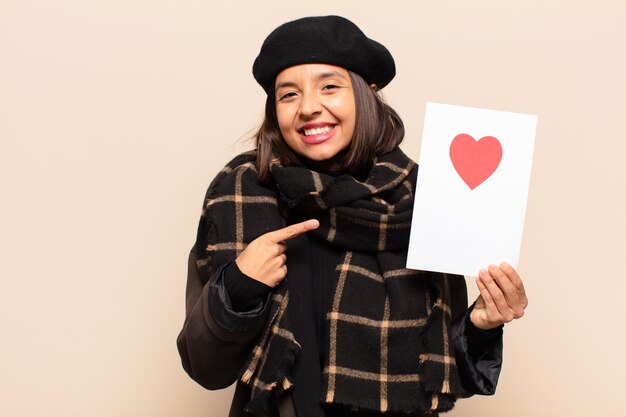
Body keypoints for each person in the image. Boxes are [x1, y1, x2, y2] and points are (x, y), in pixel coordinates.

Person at [177, 15, 528, 417]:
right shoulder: (240, 193)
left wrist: (481, 324)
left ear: (367, 93)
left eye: (329, 87)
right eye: (288, 95)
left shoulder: (423, 199)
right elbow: (205, 368)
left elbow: (442, 378)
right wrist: (238, 287)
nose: (309, 108)